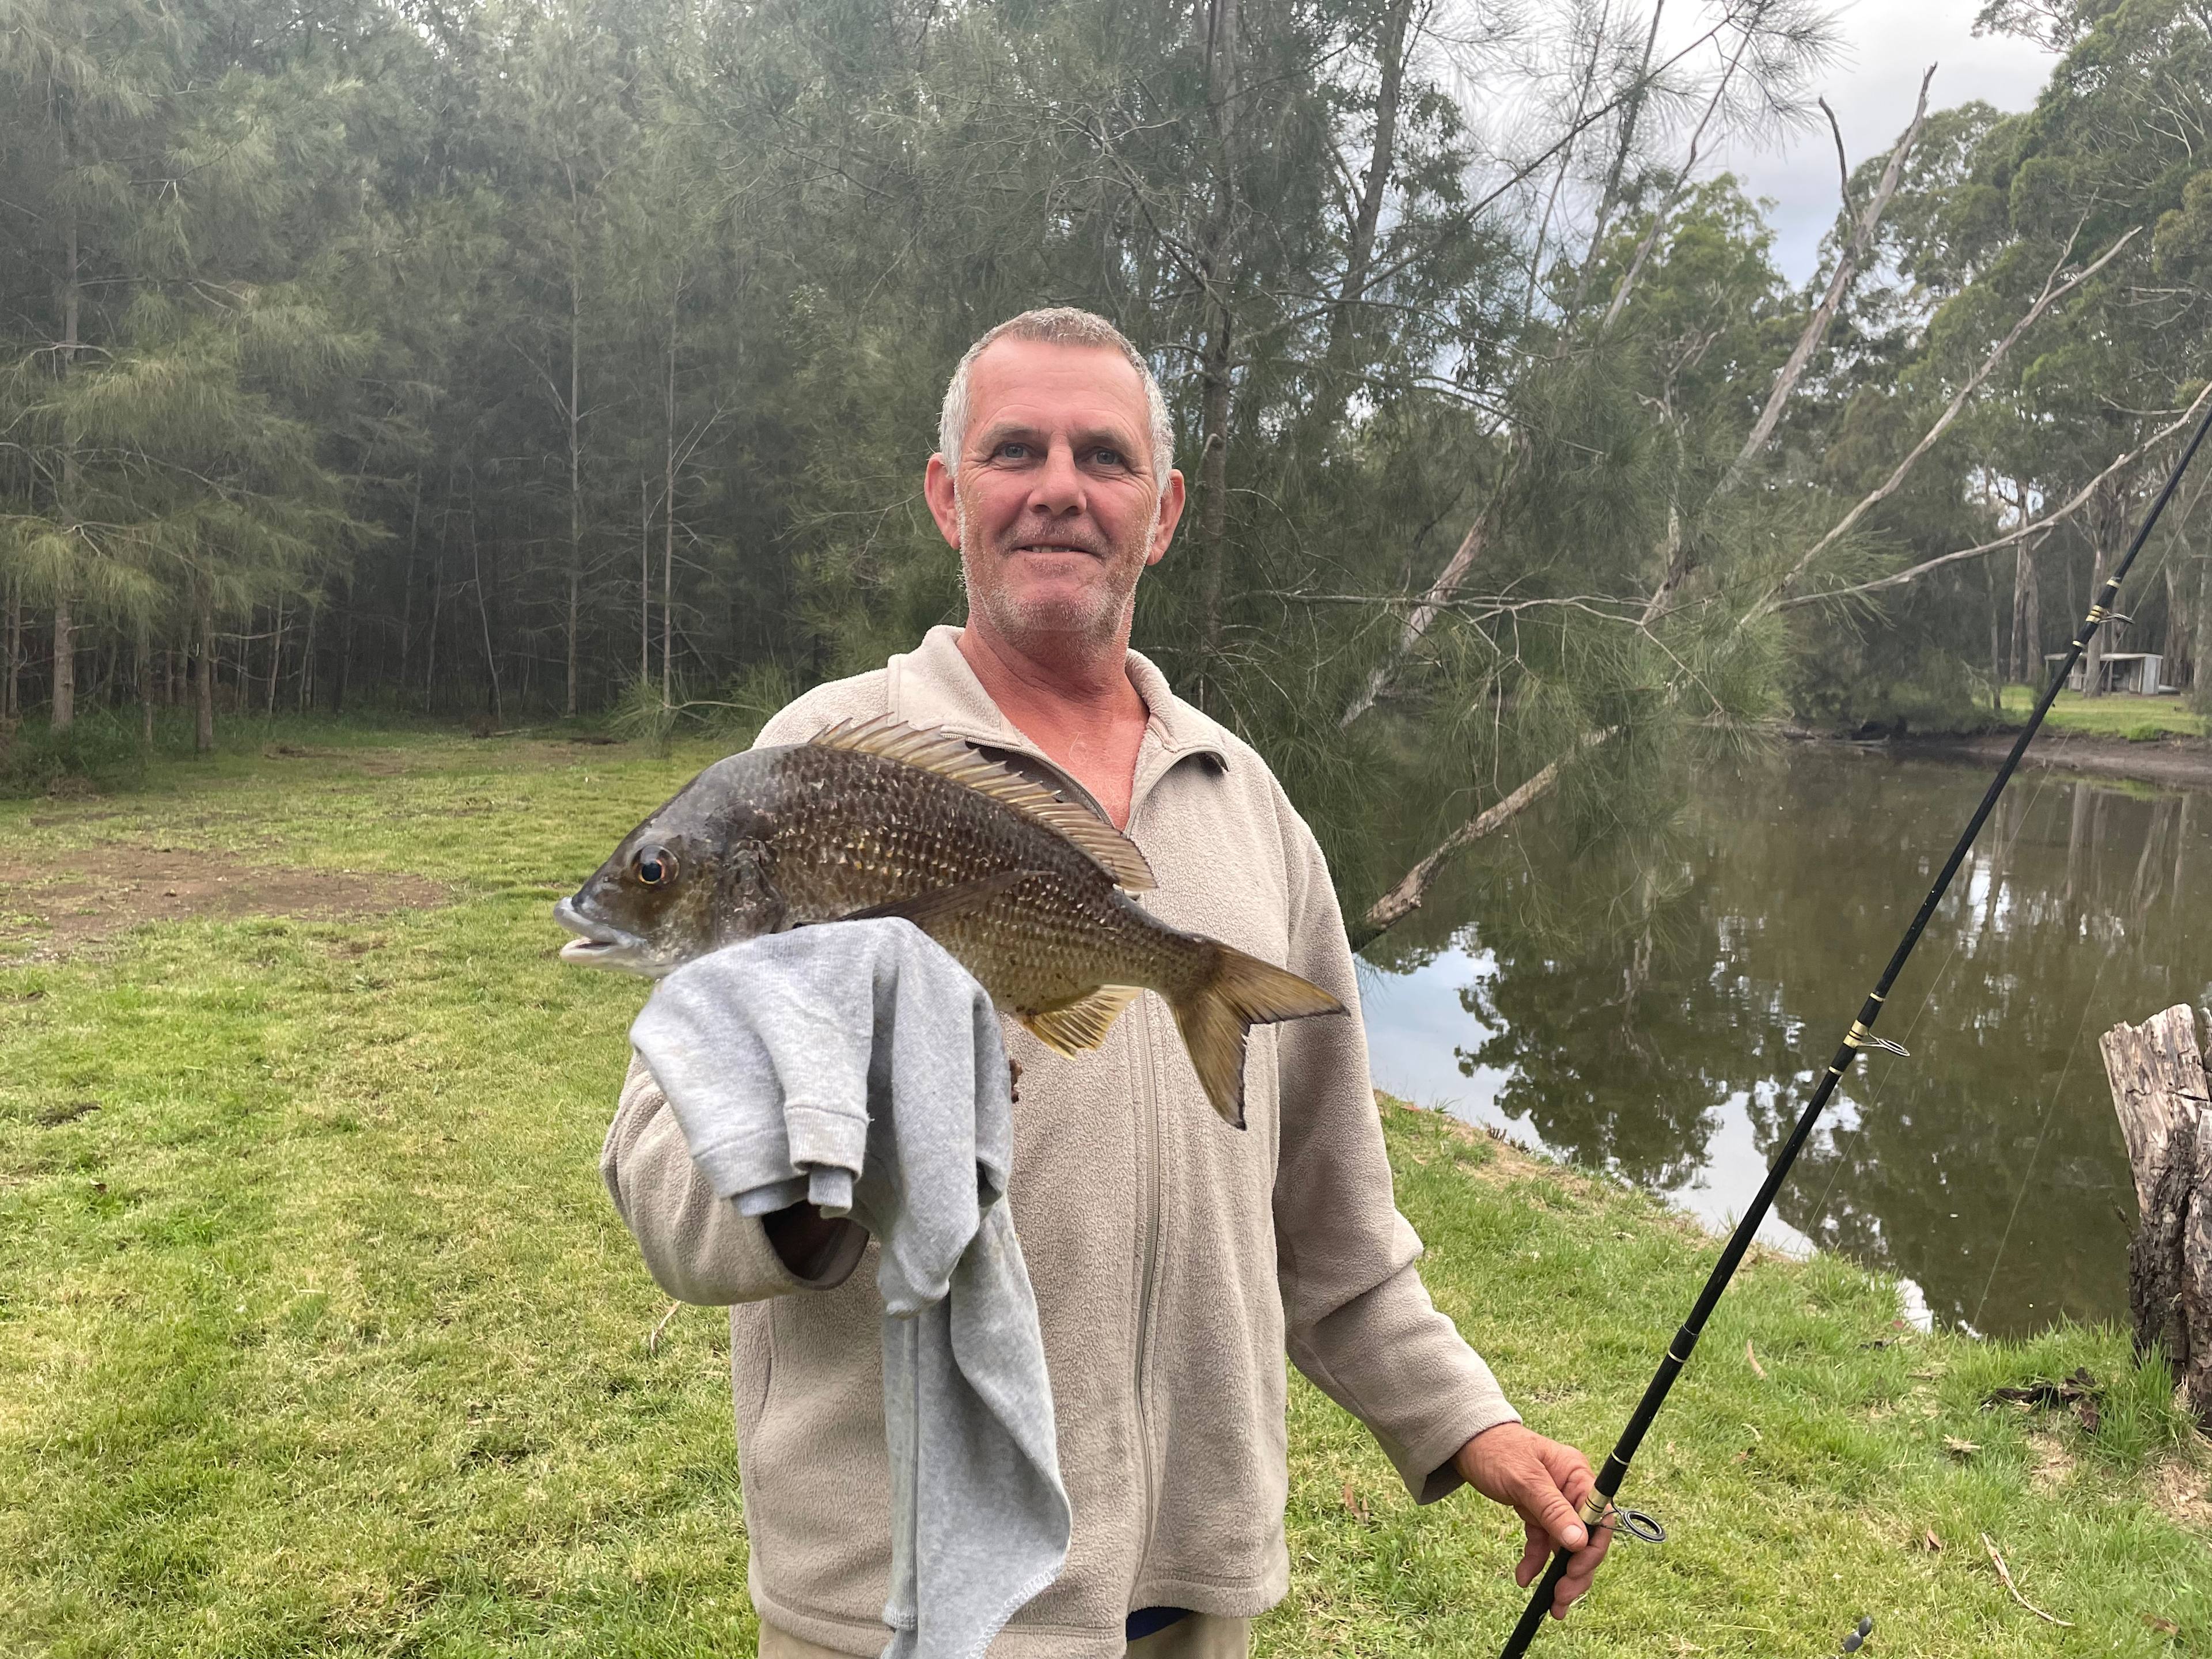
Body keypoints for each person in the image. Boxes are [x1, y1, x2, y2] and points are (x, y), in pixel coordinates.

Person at [600, 307, 1611, 1658]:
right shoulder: (814, 769)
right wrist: (838, 1136)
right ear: (949, 496)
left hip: (1196, 1592)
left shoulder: (1251, 812)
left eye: (1105, 456)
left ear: (1164, 509)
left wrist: (1467, 1422)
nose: (1060, 487)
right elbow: (662, 1189)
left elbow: (1333, 1224)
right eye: (1015, 449)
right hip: (909, 1612)